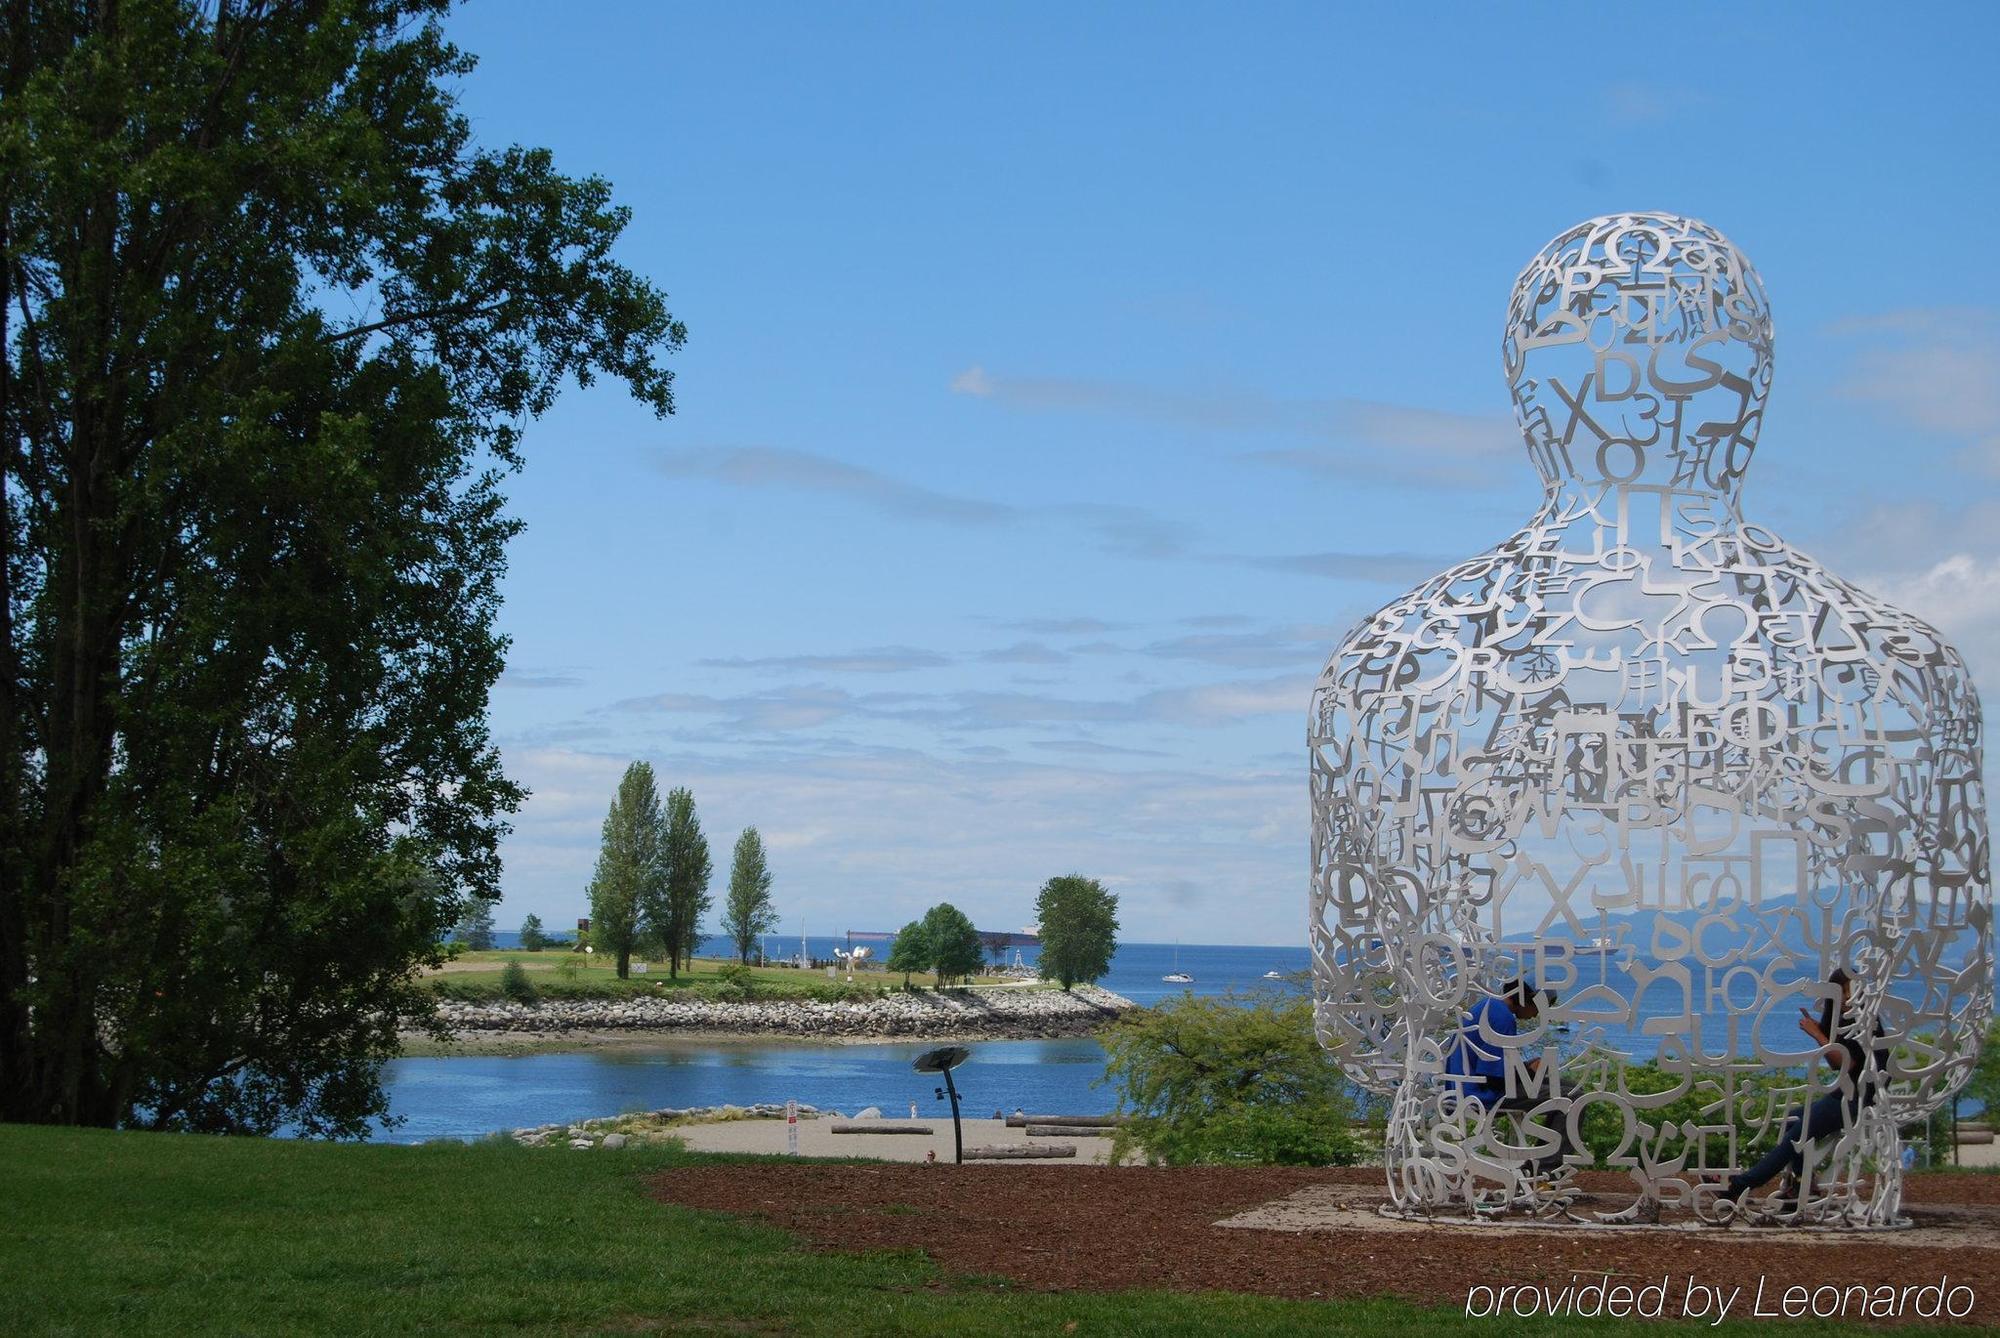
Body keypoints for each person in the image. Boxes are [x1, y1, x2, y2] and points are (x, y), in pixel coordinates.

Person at [1720, 967, 1888, 1212]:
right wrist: (1820, 1035)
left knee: (1796, 1137)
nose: (1846, 996)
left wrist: (1818, 1034)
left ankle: (1740, 1185)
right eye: (1841, 991)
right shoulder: (1843, 1021)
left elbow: (1848, 1063)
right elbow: (1835, 1064)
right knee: (1793, 1120)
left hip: (1859, 1098)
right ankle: (1802, 1186)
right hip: (1846, 1093)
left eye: (1850, 990)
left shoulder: (1863, 1020)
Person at [1445, 977, 1575, 1172]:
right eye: (1539, 1008)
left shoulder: (1489, 1006)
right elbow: (1495, 1079)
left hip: (1465, 1087)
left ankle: (1541, 1162)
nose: (1537, 1015)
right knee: (1572, 1099)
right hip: (1481, 1096)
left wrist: (1527, 1067)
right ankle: (1546, 1170)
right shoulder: (1503, 1018)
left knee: (1569, 1087)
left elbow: (1490, 1067)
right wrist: (1530, 1072)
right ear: (1526, 999)